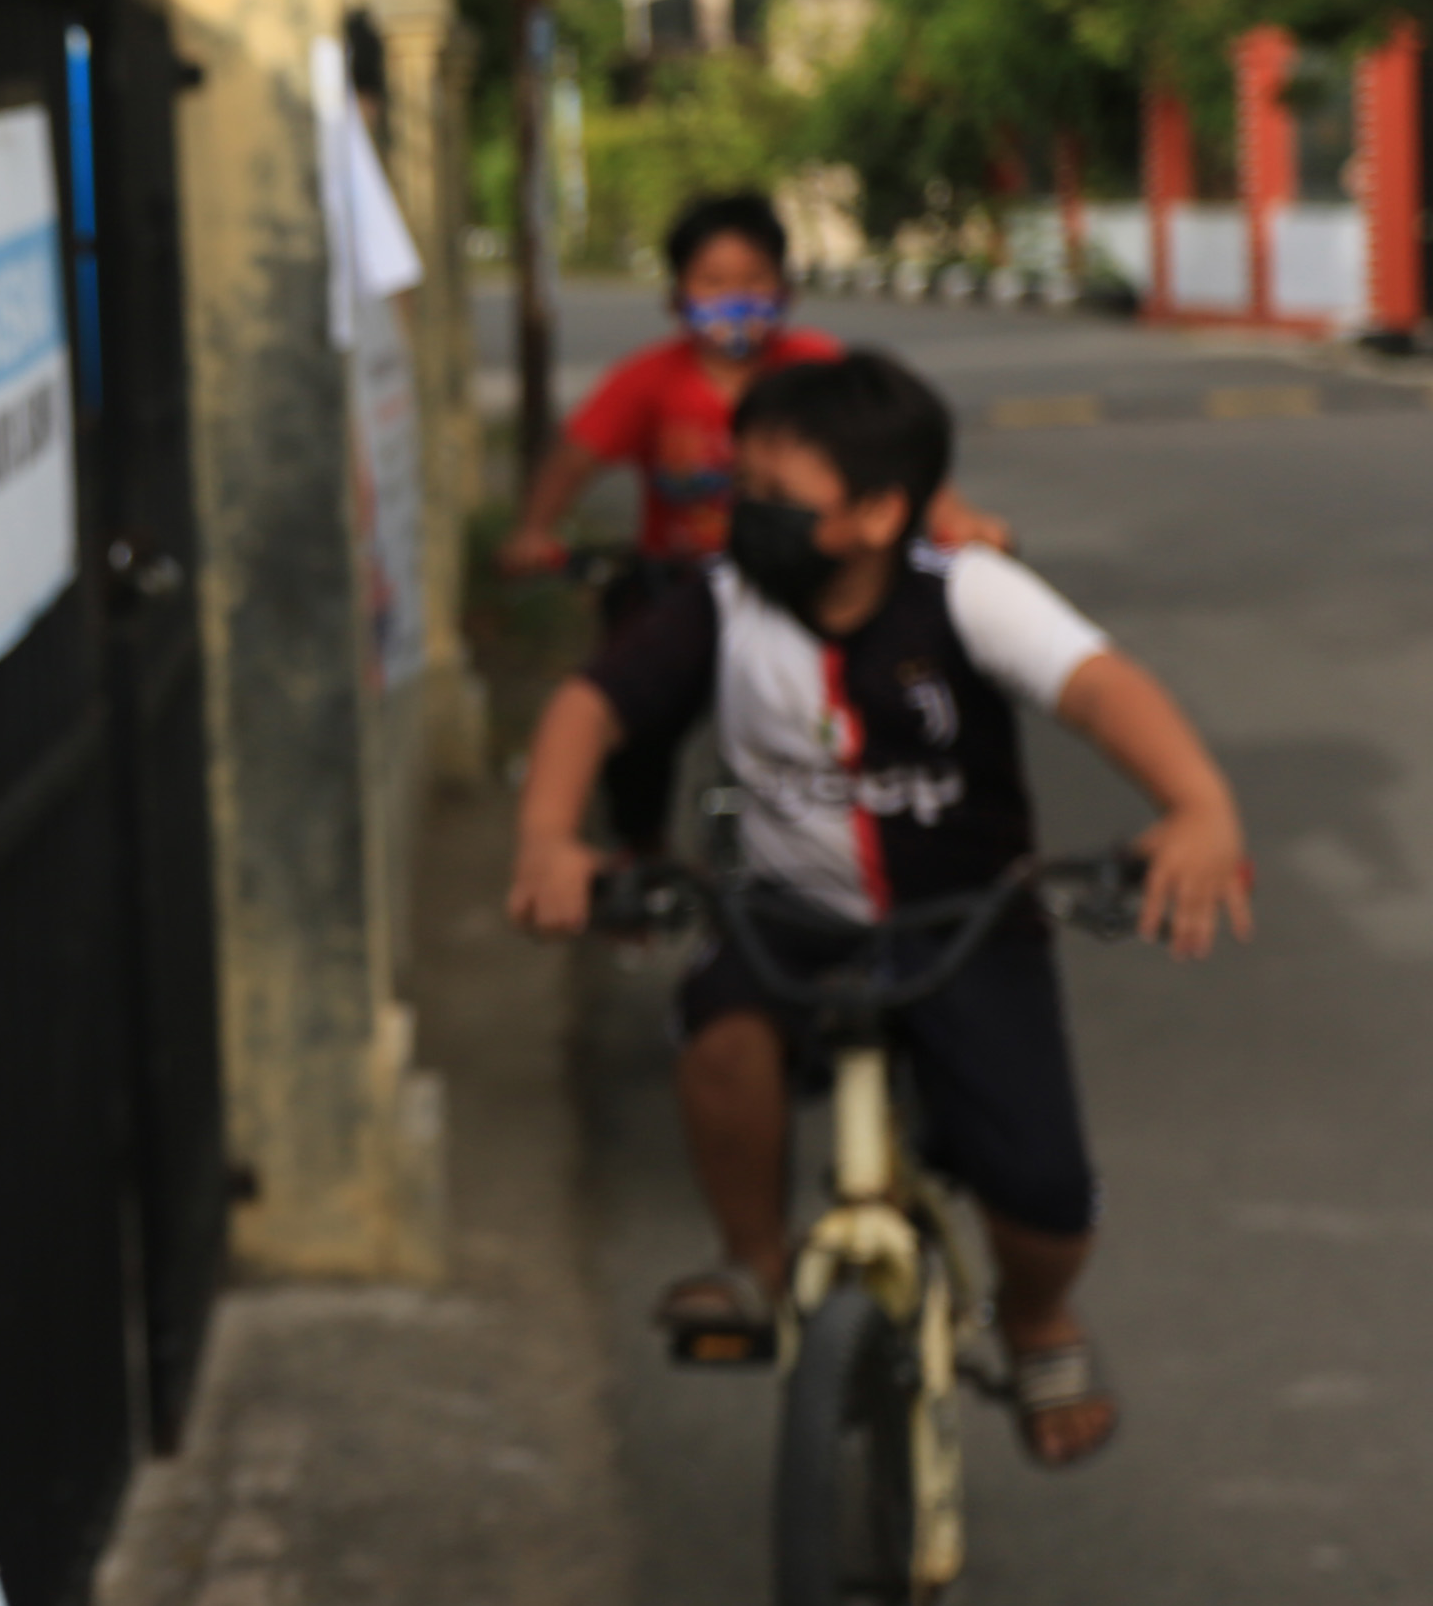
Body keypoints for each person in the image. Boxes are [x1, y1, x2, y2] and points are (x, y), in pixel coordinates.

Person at [506, 351, 1249, 1468]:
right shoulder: (722, 603)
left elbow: (1101, 689)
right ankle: (752, 1260)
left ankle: (1039, 1318)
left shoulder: (965, 593)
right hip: (787, 915)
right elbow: (589, 706)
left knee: (1039, 1187)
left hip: (965, 922)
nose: (743, 520)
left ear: (875, 514)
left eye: (774, 502)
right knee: (720, 1041)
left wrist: (1196, 807)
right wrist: (548, 838)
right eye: (735, 492)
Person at [498, 191, 1007, 853]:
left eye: (753, 281)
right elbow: (575, 456)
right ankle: (636, 848)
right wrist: (533, 530)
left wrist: (955, 517)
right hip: (682, 582)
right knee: (635, 713)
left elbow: (887, 450)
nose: (735, 299)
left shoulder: (818, 369)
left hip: (799, 581)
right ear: (677, 296)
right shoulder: (648, 381)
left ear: (787, 289)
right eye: (713, 282)